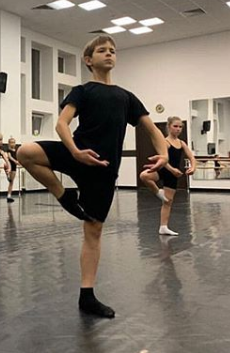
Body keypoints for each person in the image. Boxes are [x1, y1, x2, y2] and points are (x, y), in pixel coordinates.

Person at [17, 35, 168, 318]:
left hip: (103, 169)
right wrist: (75, 152)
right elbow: (62, 124)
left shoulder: (127, 97)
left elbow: (152, 130)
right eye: (102, 50)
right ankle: (64, 195)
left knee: (93, 230)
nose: (109, 54)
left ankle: (87, 296)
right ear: (89, 60)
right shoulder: (82, 91)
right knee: (25, 152)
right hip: (77, 153)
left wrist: (164, 154)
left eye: (112, 51)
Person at [139, 116, 197, 235]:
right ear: (169, 127)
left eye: (180, 127)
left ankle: (163, 227)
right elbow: (163, 159)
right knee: (144, 176)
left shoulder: (181, 143)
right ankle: (157, 192)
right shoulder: (165, 142)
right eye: (175, 126)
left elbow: (191, 157)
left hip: (172, 175)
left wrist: (193, 167)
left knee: (168, 202)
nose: (178, 129)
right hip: (163, 169)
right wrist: (172, 169)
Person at [6, 137, 20, 203]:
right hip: (10, 164)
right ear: (9, 143)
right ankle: (7, 175)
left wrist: (19, 161)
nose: (13, 144)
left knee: (11, 181)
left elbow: (18, 156)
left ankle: (9, 195)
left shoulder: (16, 150)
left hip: (14, 166)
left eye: (14, 142)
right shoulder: (8, 150)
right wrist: (15, 161)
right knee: (10, 180)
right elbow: (10, 157)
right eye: (11, 142)